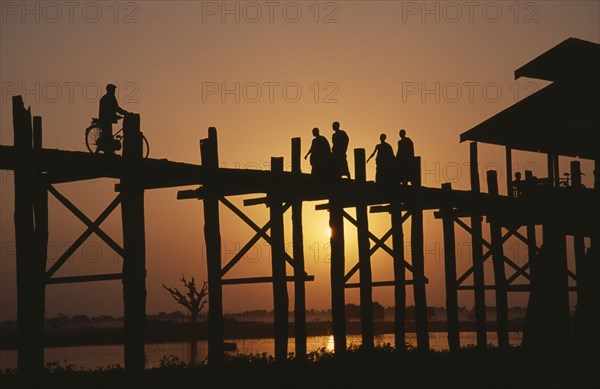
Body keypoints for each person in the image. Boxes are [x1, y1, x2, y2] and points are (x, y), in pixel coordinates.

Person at [98, 83, 129, 153]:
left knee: (107, 134)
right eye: (113, 90)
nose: (114, 91)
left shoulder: (104, 98)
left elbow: (111, 109)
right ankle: (107, 150)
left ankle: (108, 150)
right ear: (110, 90)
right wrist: (125, 113)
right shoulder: (111, 98)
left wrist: (117, 115)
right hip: (107, 120)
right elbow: (116, 108)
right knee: (108, 135)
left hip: (104, 119)